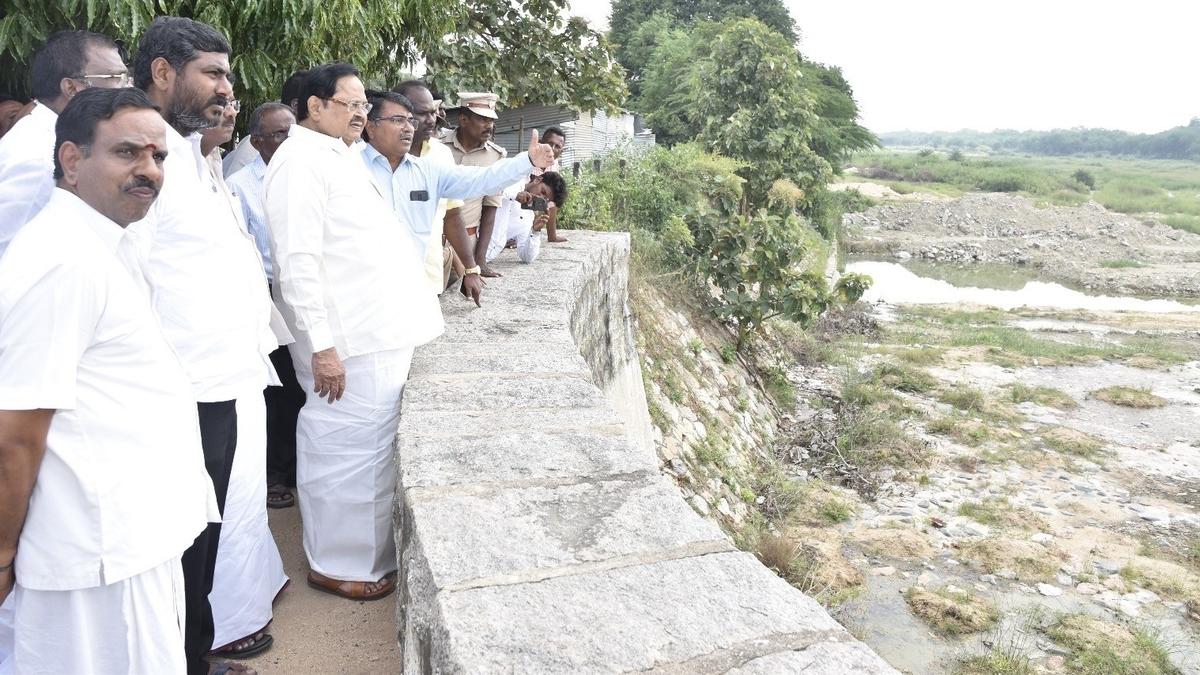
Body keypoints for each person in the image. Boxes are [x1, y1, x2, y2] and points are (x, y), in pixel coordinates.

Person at [0, 86, 218, 675]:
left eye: (159, 156)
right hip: (96, 554)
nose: (149, 170)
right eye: (127, 153)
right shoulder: (59, 259)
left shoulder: (102, 242)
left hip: (133, 542)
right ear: (72, 161)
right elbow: (16, 428)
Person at [132, 16, 279, 674]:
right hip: (173, 395)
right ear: (163, 73)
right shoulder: (140, 155)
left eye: (228, 73)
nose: (227, 88)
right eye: (212, 73)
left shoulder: (194, 157)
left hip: (217, 384)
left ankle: (194, 657)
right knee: (173, 543)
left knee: (202, 540)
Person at [264, 62, 443, 601]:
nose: (362, 115)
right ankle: (338, 563)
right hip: (344, 341)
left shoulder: (333, 156)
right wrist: (322, 349)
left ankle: (365, 557)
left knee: (369, 453)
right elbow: (296, 260)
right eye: (353, 104)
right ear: (315, 106)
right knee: (342, 452)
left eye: (366, 106)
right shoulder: (299, 162)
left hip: (373, 332)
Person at [197, 99, 290, 661]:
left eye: (231, 95)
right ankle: (222, 624)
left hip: (240, 356)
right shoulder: (215, 168)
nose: (225, 103)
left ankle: (250, 593)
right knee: (220, 499)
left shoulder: (206, 166)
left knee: (245, 493)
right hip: (203, 372)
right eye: (213, 86)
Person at [360, 90, 556, 302]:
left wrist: (527, 161)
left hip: (415, 289)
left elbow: (481, 180)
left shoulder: (427, 170)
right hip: (363, 291)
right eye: (398, 120)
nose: (408, 127)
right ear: (371, 126)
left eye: (409, 120)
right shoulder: (349, 166)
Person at [227, 102, 307, 510]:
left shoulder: (304, 175)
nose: (287, 140)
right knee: (278, 391)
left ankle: (296, 469)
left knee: (307, 387)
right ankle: (275, 474)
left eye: (291, 132)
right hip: (267, 295)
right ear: (256, 141)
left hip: (305, 293)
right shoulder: (239, 184)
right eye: (277, 134)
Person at [0, 30, 127, 259]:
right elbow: (7, 253)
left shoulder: (55, 139)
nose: (126, 90)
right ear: (71, 88)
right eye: (115, 78)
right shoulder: (38, 160)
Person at [392, 80, 480, 299]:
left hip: (429, 278)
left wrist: (470, 269)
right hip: (385, 283)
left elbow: (452, 214)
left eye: (433, 112)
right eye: (422, 113)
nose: (431, 120)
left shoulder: (440, 155)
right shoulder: (375, 156)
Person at [440, 91, 508, 278]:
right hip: (432, 241)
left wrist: (480, 261)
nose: (489, 126)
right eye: (483, 119)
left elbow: (490, 208)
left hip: (466, 245)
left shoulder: (496, 156)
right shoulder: (438, 148)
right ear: (463, 119)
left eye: (491, 121)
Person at [485, 171, 568, 264]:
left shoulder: (528, 218)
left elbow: (526, 257)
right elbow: (489, 187)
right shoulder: (513, 181)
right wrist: (515, 195)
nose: (540, 197)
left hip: (483, 258)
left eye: (545, 200)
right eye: (542, 192)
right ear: (537, 180)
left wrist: (535, 232)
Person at [540, 126, 569, 244]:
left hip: (533, 202)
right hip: (513, 203)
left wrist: (552, 235)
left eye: (557, 146)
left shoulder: (554, 164)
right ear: (540, 143)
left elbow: (552, 201)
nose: (552, 149)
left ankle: (552, 236)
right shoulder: (525, 160)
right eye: (549, 144)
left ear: (561, 152)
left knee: (552, 197)